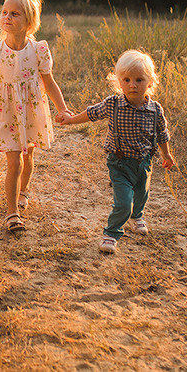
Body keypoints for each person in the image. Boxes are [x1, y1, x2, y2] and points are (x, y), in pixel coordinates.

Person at [0, 0, 70, 233]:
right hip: (7, 111)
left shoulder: (39, 50)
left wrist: (63, 108)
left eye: (14, 13)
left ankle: (24, 190)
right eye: (4, 12)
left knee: (28, 156)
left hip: (31, 109)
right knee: (14, 162)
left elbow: (49, 83)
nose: (7, 17)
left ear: (29, 21)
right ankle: (12, 213)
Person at [59, 49, 176, 253]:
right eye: (127, 80)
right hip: (119, 163)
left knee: (141, 194)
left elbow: (162, 134)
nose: (133, 85)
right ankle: (111, 233)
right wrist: (71, 120)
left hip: (144, 162)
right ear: (119, 82)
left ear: (150, 82)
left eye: (139, 80)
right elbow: (91, 113)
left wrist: (166, 154)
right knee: (123, 203)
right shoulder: (113, 104)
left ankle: (137, 216)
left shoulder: (155, 109)